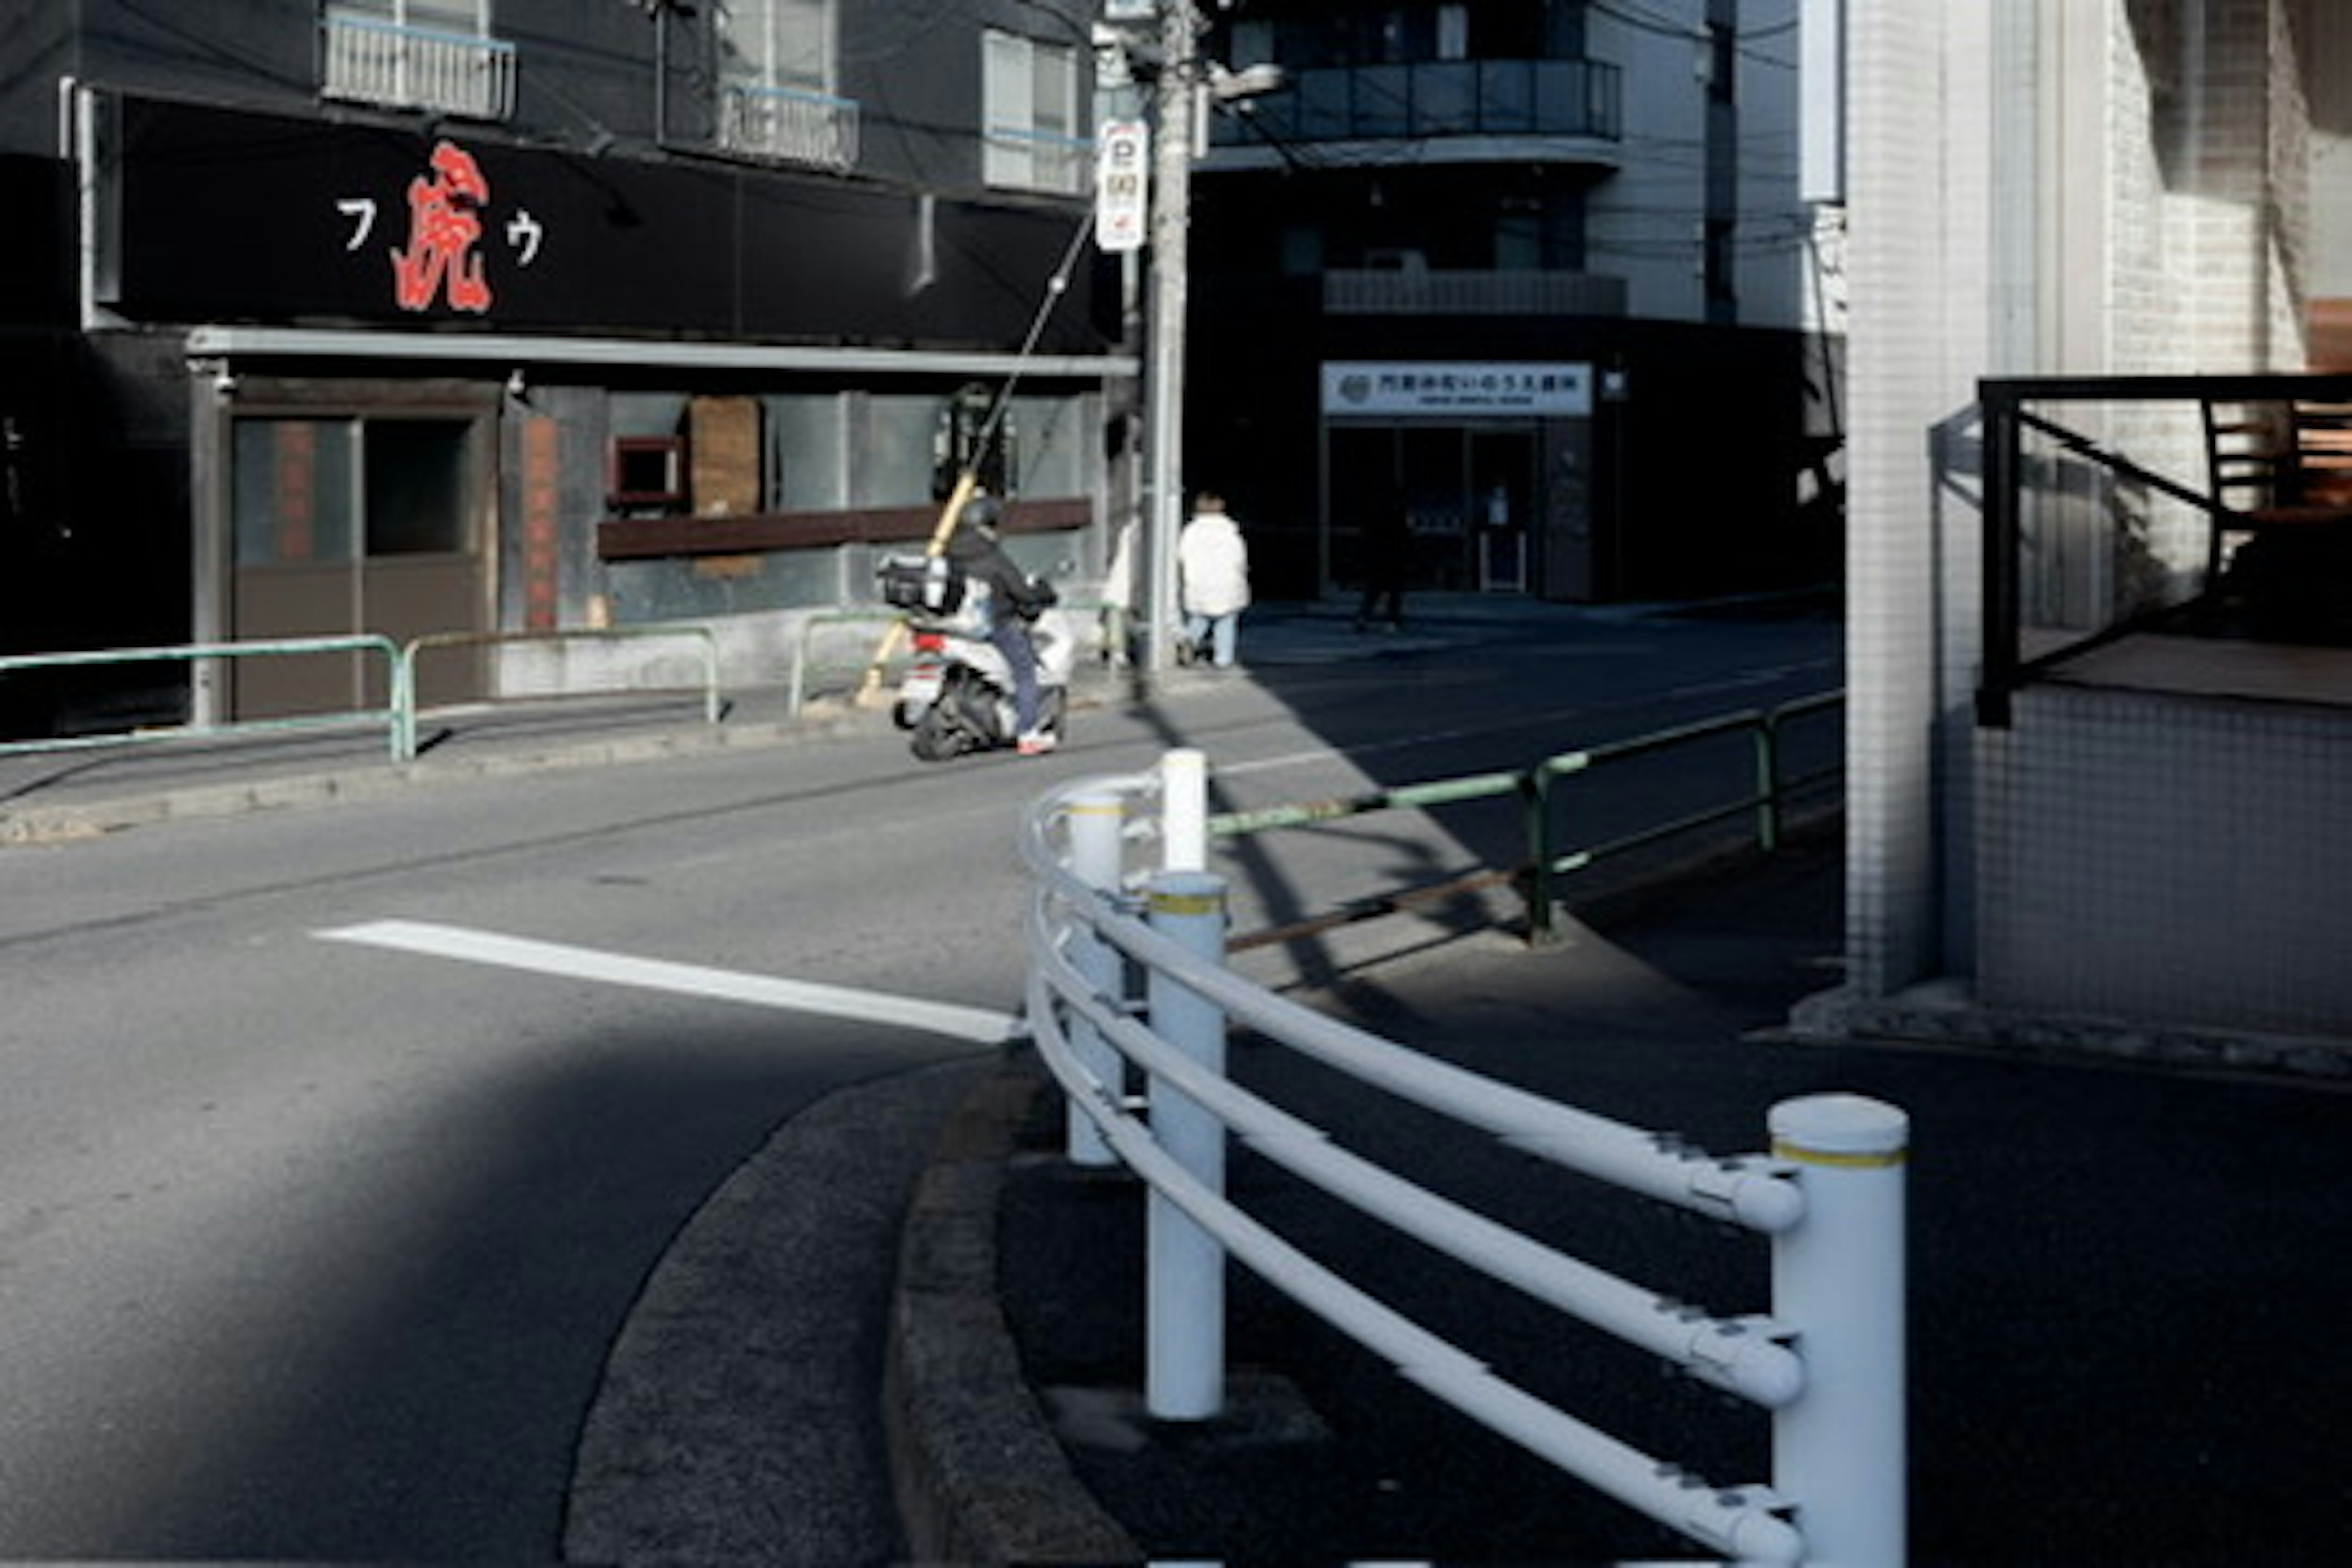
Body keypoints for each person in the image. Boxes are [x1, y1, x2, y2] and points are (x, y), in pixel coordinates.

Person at [944, 493, 1059, 755]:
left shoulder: (950, 552)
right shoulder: (992, 556)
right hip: (992, 625)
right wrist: (1034, 598)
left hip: (953, 624)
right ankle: (1028, 733)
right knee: (1025, 672)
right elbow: (1019, 590)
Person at [1177, 490, 1251, 668]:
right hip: (1227, 584)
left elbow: (1181, 556)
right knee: (1225, 622)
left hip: (1198, 582)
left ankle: (1190, 641)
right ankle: (1223, 658)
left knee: (1199, 618)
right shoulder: (1230, 533)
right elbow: (1239, 559)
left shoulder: (1191, 532)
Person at [1355, 496, 1410, 633]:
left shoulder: (1374, 519)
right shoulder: (1398, 519)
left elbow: (1366, 537)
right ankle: (1392, 619)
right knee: (1393, 591)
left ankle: (1364, 617)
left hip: (1377, 558)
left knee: (1373, 591)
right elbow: (1404, 538)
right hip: (1392, 558)